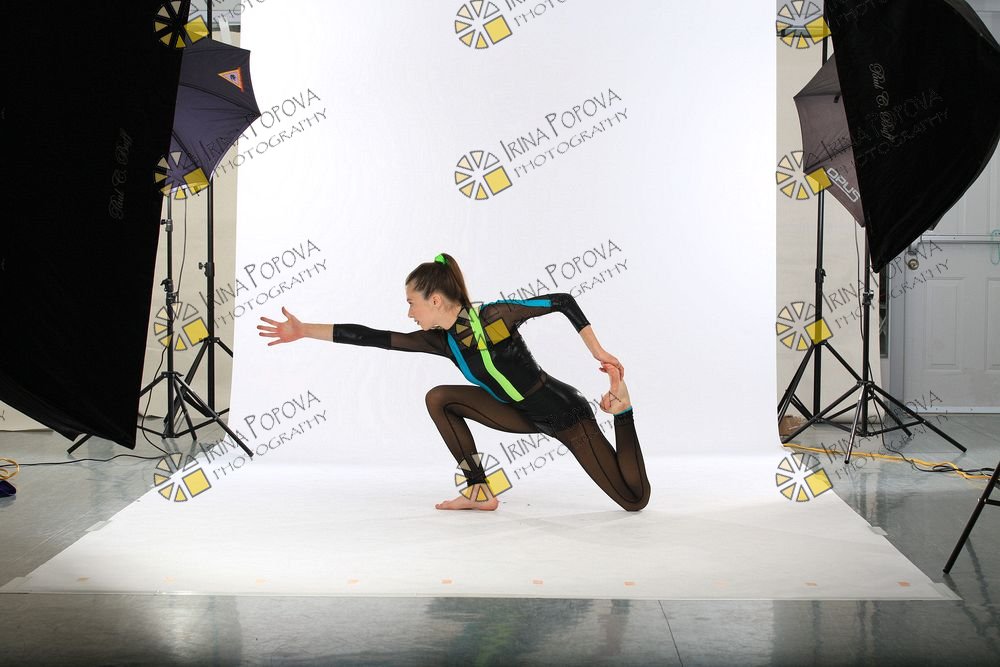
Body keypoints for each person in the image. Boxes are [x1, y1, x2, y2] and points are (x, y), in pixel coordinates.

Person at [257, 253, 650, 512]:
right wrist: (304, 330)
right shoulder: (443, 341)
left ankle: (624, 409)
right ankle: (479, 491)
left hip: (563, 414)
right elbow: (373, 336)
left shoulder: (494, 318)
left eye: (411, 303)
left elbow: (562, 301)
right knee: (439, 398)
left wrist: (598, 351)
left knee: (633, 499)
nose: (409, 313)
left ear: (435, 300)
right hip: (519, 413)